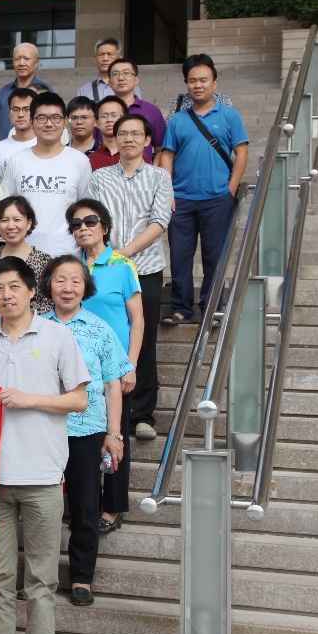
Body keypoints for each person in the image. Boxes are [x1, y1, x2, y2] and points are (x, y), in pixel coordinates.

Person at [0, 256, 89, 634]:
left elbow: (79, 400)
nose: (6, 295)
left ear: (31, 291)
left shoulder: (57, 336)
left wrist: (30, 399)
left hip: (42, 474)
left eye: (14, 287)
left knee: (41, 578)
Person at [40, 256, 131, 609]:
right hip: (42, 428)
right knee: (40, 509)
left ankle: (81, 577)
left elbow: (112, 384)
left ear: (86, 287)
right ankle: (41, 578)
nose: (68, 288)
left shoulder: (100, 328)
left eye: (75, 281)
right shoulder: (36, 326)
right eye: (60, 280)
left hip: (87, 429)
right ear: (48, 285)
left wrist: (114, 434)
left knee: (85, 505)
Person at [90, 114, 173, 441]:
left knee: (144, 338)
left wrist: (123, 253)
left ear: (147, 140)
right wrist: (109, 255)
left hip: (146, 268)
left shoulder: (159, 177)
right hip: (106, 269)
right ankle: (102, 407)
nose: (129, 139)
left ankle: (143, 414)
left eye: (136, 134)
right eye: (123, 133)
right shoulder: (100, 177)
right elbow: (92, 218)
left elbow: (160, 220)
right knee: (106, 334)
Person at [67, 200, 143, 537]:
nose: (83, 227)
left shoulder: (122, 265)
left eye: (90, 221)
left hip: (113, 368)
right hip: (76, 369)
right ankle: (84, 504)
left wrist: (131, 365)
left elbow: (138, 320)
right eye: (76, 223)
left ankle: (112, 506)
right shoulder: (72, 268)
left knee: (115, 435)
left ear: (105, 227)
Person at [157, 54, 249, 324]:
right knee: (180, 257)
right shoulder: (178, 120)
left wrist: (230, 189)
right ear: (187, 84)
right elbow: (167, 155)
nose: (198, 85)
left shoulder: (229, 115)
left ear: (214, 83)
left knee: (214, 257)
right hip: (181, 199)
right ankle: (181, 309)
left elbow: (242, 152)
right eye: (192, 81)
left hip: (217, 198)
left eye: (203, 80)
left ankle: (212, 308)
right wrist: (168, 191)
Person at [1, 92, 92, 257]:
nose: (49, 124)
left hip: (66, 255)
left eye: (55, 118)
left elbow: (85, 210)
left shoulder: (80, 161)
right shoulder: (17, 160)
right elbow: (7, 209)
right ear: (31, 121)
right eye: (42, 118)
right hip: (23, 255)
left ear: (64, 122)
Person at [0, 195, 54, 316]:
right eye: (4, 220)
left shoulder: (44, 261)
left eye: (17, 219)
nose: (10, 226)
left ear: (29, 223)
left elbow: (48, 303)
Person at [107, 58, 166, 158]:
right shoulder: (101, 112)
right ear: (109, 82)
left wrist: (154, 167)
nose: (121, 78)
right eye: (115, 74)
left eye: (126, 73)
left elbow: (159, 149)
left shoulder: (152, 111)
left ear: (136, 80)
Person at [0, 42, 52, 138]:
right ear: (13, 62)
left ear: (36, 63)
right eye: (17, 59)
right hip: (6, 145)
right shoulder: (3, 92)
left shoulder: (45, 91)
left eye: (26, 58)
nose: (21, 63)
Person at [0, 87, 40, 180]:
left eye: (26, 109)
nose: (20, 114)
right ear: (9, 113)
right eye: (15, 110)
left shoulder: (45, 147)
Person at [75, 37, 140, 103]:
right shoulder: (84, 90)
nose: (105, 59)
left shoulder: (130, 86)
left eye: (110, 54)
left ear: (120, 57)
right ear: (95, 59)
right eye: (101, 55)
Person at [88, 96, 133, 171]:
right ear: (97, 123)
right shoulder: (89, 161)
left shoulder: (138, 159)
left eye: (114, 115)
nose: (109, 119)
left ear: (125, 120)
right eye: (104, 116)